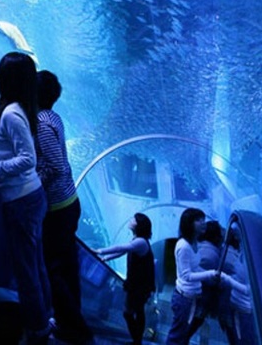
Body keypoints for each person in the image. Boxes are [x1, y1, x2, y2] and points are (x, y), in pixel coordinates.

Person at [0, 52, 52, 345]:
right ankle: (45, 317)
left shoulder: (12, 114)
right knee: (36, 264)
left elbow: (27, 159)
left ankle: (38, 331)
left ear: (8, 80)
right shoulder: (16, 111)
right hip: (30, 198)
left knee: (26, 271)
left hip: (21, 201)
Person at [35, 70, 93, 344]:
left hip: (58, 207)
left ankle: (75, 330)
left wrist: (33, 181)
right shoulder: (53, 117)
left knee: (52, 268)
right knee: (68, 267)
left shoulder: (40, 124)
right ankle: (72, 322)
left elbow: (56, 166)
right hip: (70, 202)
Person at [96, 213, 155, 345]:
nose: (130, 220)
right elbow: (123, 251)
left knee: (129, 313)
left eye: (134, 219)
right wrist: (106, 258)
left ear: (139, 225)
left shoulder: (140, 241)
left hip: (139, 286)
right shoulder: (138, 240)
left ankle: (136, 340)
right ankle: (137, 340)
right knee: (138, 311)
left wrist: (100, 251)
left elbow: (121, 248)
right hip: (139, 284)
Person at [166, 208, 219, 345]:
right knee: (176, 337)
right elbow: (186, 275)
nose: (203, 223)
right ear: (188, 223)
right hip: (184, 299)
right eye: (198, 220)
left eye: (203, 220)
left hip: (192, 297)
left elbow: (195, 268)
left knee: (183, 335)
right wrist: (209, 274)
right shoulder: (183, 246)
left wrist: (208, 276)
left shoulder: (194, 242)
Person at [186, 220, 224, 339]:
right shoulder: (211, 253)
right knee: (186, 332)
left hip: (194, 302)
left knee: (185, 332)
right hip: (198, 303)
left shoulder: (201, 249)